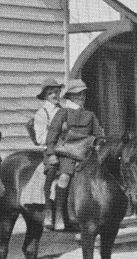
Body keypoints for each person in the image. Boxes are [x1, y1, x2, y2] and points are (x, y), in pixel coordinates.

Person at [43, 79, 105, 231]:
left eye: (83, 94)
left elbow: (98, 134)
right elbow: (52, 135)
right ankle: (59, 216)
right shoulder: (63, 113)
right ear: (70, 96)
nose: (82, 97)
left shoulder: (90, 115)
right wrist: (51, 153)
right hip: (67, 155)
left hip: (86, 155)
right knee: (64, 179)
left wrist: (99, 143)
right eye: (78, 94)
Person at [30, 78, 64, 207]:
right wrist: (57, 133)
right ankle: (48, 206)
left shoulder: (64, 110)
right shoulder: (42, 113)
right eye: (50, 93)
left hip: (67, 148)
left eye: (56, 92)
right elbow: (40, 138)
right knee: (52, 170)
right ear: (45, 96)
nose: (54, 95)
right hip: (51, 150)